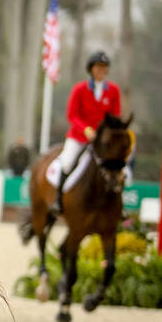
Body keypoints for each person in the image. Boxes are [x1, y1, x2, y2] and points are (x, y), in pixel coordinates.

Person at [52, 50, 122, 215]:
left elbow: (115, 116)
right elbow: (72, 115)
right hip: (79, 137)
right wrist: (86, 129)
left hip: (102, 141)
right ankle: (58, 200)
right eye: (98, 67)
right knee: (67, 162)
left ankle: (118, 206)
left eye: (104, 68)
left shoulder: (113, 91)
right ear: (91, 69)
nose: (101, 71)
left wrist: (107, 134)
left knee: (117, 166)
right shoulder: (80, 89)